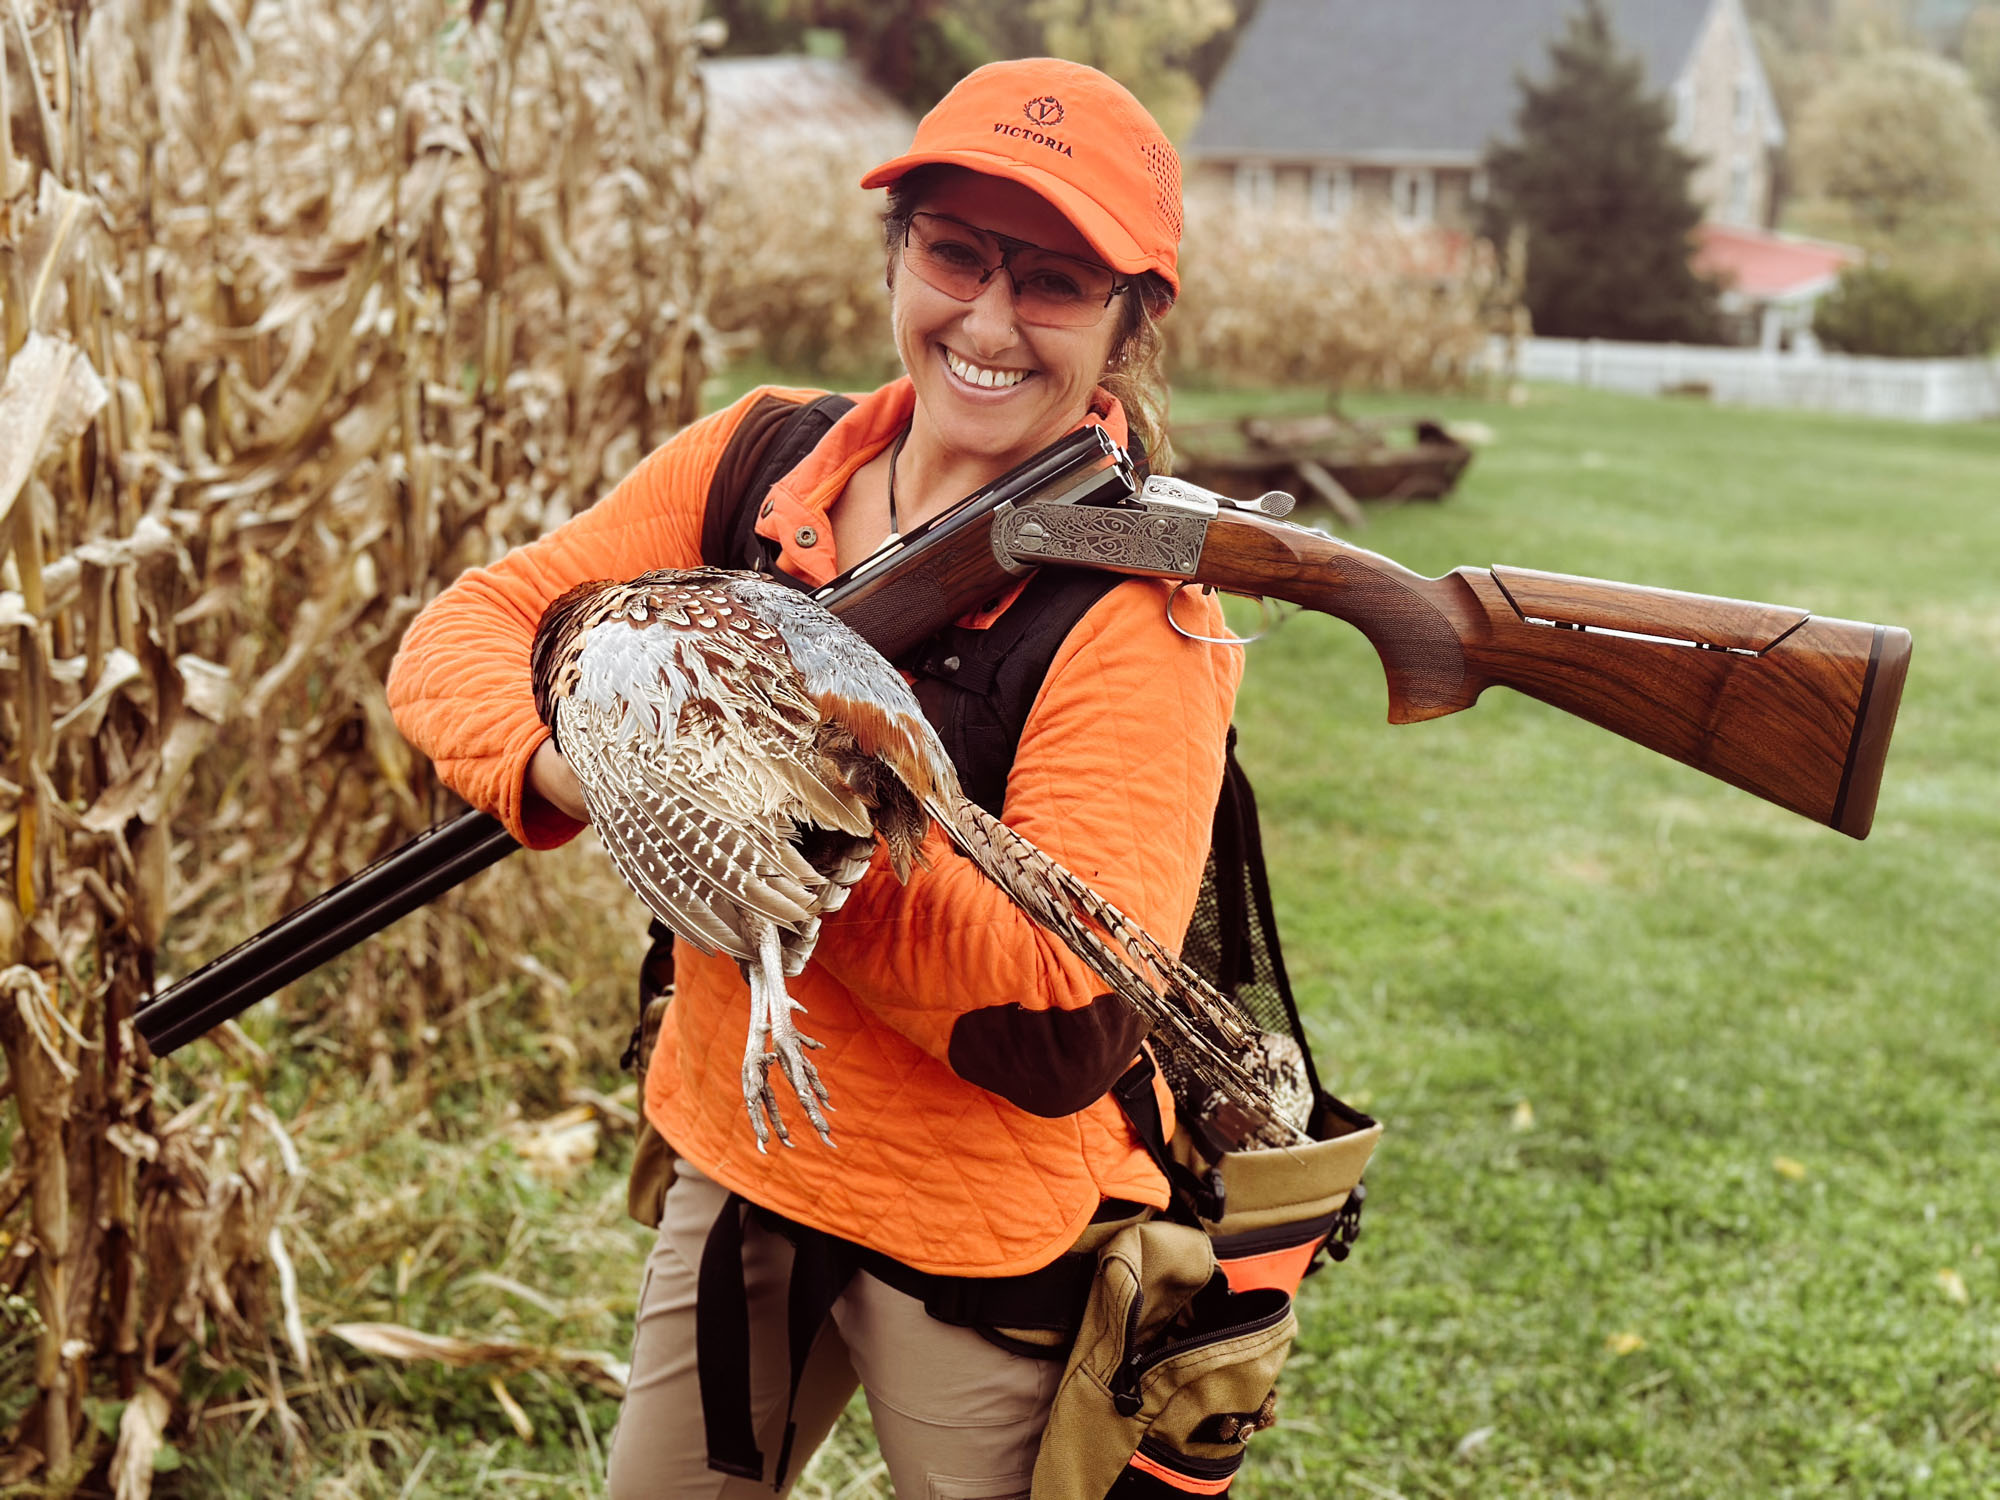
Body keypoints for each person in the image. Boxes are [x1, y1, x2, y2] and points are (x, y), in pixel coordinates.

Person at [385, 57, 1239, 1499]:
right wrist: (605, 768)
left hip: (987, 1230)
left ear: (1128, 319)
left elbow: (1065, 1002)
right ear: (897, 252)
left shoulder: (1148, 612)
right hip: (742, 1164)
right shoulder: (757, 459)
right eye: (954, 255)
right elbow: (468, 632)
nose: (985, 320)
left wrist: (765, 844)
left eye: (1053, 282)